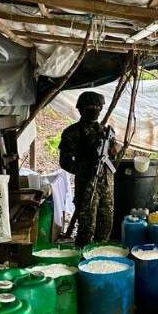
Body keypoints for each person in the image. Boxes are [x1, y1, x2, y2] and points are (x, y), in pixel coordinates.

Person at [58, 91, 119, 247]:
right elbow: (65, 162)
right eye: (90, 106)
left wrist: (113, 150)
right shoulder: (72, 133)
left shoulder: (105, 132)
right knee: (86, 228)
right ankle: (83, 260)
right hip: (87, 185)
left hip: (106, 185)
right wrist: (85, 168)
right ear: (80, 109)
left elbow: (113, 157)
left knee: (106, 225)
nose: (95, 109)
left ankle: (100, 260)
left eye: (98, 106)